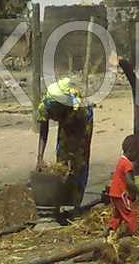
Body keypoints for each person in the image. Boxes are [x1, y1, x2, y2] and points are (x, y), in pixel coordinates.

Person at [36, 78, 94, 207]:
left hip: (81, 121)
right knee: (61, 157)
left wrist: (71, 161)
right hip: (66, 118)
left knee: (79, 160)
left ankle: (75, 201)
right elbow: (43, 132)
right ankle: (62, 198)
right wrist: (40, 158)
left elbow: (77, 141)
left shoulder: (78, 108)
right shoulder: (45, 106)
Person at [108, 135, 139, 236]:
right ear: (131, 151)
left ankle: (109, 230)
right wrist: (137, 191)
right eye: (137, 153)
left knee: (117, 215)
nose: (137, 156)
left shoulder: (120, 161)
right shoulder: (127, 164)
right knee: (130, 214)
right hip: (121, 194)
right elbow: (129, 182)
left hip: (113, 193)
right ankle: (133, 234)